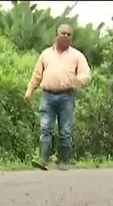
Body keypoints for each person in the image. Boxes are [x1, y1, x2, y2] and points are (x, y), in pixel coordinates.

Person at [24, 24, 91, 171]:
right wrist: (30, 90)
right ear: (56, 35)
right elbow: (37, 75)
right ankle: (43, 160)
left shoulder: (77, 56)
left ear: (71, 38)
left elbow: (86, 74)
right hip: (47, 96)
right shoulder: (46, 54)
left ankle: (64, 161)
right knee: (45, 128)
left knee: (65, 131)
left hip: (67, 96)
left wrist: (79, 80)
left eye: (69, 34)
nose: (66, 36)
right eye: (63, 33)